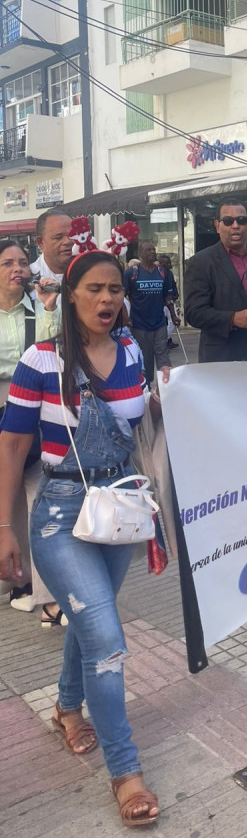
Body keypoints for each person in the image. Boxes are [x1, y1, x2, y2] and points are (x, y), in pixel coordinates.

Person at [0, 250, 168, 827]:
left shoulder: (130, 351)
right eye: (93, 289)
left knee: (90, 621)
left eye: (114, 289)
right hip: (60, 515)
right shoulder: (40, 361)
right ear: (70, 294)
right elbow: (12, 447)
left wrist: (161, 399)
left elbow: (137, 420)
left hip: (121, 510)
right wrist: (3, 527)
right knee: (107, 637)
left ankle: (67, 708)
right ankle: (127, 771)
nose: (106, 300)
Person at [0, 240, 62, 625]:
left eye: (22, 262)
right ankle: (15, 578)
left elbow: (54, 352)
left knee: (40, 505)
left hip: (31, 418)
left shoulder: (39, 309)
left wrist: (52, 308)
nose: (17, 269)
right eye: (7, 263)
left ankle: (51, 596)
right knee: (8, 507)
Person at [184, 197, 247, 363]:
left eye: (241, 220)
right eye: (228, 221)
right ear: (217, 226)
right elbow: (194, 313)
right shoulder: (202, 262)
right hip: (228, 361)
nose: (235, 226)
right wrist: (232, 319)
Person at [124, 240, 178, 383]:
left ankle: (166, 386)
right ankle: (146, 387)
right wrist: (125, 317)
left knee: (163, 355)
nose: (152, 252)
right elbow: (120, 296)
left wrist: (173, 315)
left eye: (153, 249)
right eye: (148, 250)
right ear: (140, 253)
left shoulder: (162, 273)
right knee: (145, 358)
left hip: (159, 323)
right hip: (139, 325)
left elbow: (167, 296)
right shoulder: (131, 273)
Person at [30, 207, 74, 287]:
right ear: (40, 242)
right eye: (58, 237)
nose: (68, 241)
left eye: (72, 235)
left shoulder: (91, 271)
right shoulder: (28, 278)